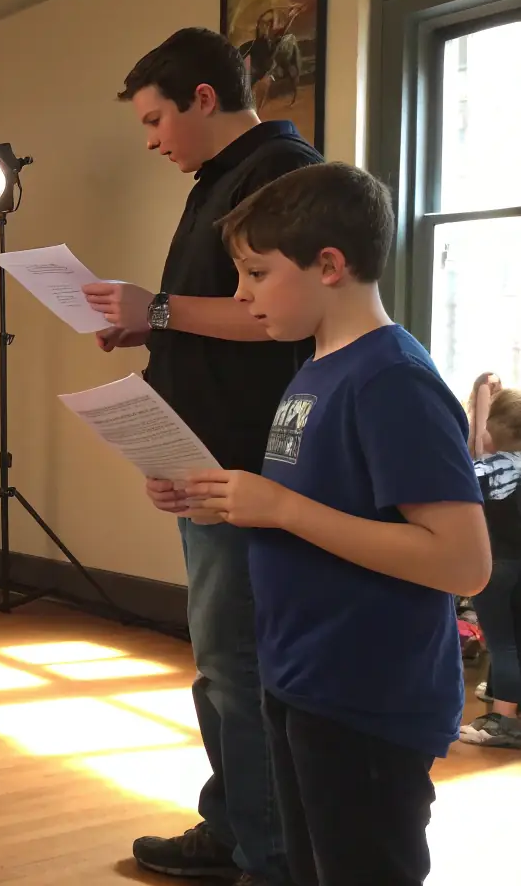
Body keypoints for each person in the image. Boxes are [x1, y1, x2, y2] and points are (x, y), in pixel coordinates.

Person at [183, 161, 490, 886]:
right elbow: (319, 511)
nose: (241, 294)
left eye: (256, 273)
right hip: (299, 675)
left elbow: (461, 562)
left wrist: (281, 507)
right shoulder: (314, 366)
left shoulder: (390, 379)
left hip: (367, 697)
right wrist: (226, 502)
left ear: (329, 265)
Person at [85, 27, 321, 884]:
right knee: (217, 661)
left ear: (203, 100)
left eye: (155, 120)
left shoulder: (278, 172)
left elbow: (265, 316)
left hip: (248, 461)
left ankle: (265, 853)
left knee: (237, 663)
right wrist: (145, 325)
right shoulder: (218, 177)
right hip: (204, 453)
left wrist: (158, 311)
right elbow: (202, 313)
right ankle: (232, 826)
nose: (151, 140)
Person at [459, 373, 521, 749]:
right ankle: (504, 704)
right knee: (515, 641)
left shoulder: (486, 470)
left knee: (502, 644)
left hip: (495, 566)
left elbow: (470, 460)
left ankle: (503, 720)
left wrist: (480, 398)